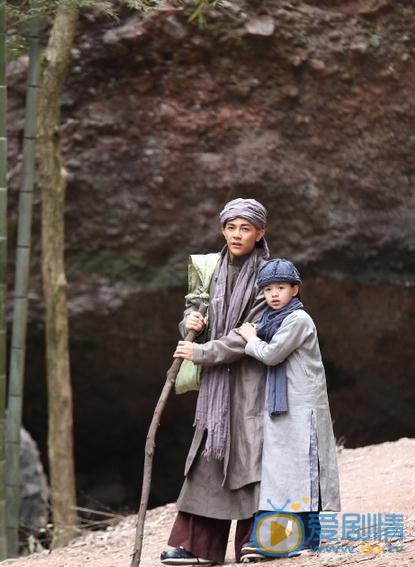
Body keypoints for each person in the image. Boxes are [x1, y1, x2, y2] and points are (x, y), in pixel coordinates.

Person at [160, 198, 270, 566]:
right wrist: (190, 322)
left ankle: (260, 540)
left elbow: (251, 333)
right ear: (223, 230)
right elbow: (195, 306)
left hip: (254, 380)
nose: (237, 235)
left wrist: (202, 354)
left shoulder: (269, 275)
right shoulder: (208, 268)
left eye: (245, 228)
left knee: (254, 456)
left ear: (260, 233)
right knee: (209, 455)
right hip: (216, 389)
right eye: (231, 228)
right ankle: (196, 547)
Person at [238, 258, 341, 562]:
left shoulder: (297, 320)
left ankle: (303, 538)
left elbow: (271, 355)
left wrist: (250, 339)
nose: (273, 294)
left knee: (302, 471)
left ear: (295, 290)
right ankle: (295, 538)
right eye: (268, 288)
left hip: (303, 406)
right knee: (284, 471)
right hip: (284, 405)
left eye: (280, 287)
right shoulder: (273, 320)